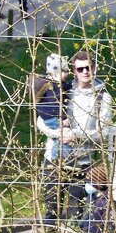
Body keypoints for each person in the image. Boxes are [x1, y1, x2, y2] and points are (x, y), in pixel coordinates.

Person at [60, 49, 115, 233]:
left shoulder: (104, 97)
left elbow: (104, 133)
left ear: (94, 68)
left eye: (88, 68)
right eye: (80, 68)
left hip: (92, 167)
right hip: (67, 163)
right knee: (69, 217)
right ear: (74, 70)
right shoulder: (68, 93)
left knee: (93, 220)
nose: (84, 72)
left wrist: (77, 135)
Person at [33, 53, 72, 222]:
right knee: (52, 193)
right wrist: (61, 126)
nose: (67, 74)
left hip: (58, 125)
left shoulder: (61, 87)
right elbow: (42, 116)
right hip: (53, 124)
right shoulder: (53, 87)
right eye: (64, 71)